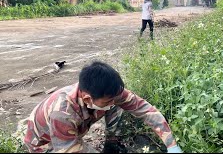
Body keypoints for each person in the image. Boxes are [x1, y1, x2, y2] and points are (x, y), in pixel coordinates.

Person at [23, 61, 183, 153]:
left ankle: (113, 144)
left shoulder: (109, 92)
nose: (112, 102)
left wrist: (172, 144)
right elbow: (69, 150)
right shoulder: (62, 113)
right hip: (46, 143)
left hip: (72, 130)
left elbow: (147, 111)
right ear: (87, 98)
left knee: (118, 105)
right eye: (107, 101)